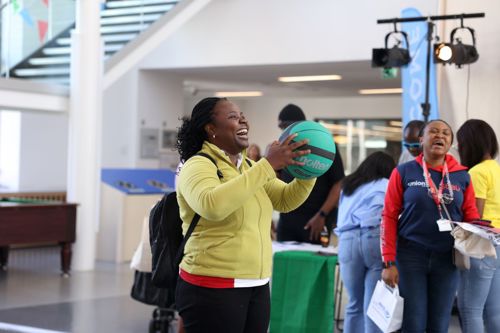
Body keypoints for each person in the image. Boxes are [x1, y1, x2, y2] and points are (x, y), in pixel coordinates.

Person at [174, 97, 316, 333]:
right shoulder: (197, 165)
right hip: (213, 284)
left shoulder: (249, 167)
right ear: (211, 129)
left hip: (256, 283)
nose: (243, 120)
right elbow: (212, 205)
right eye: (232, 116)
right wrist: (268, 165)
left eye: (242, 115)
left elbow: (285, 200)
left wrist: (309, 169)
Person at [381, 119, 480, 332]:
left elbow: (471, 214)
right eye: (433, 132)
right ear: (421, 139)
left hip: (447, 258)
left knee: (439, 323)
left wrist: (478, 232)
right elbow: (388, 217)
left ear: (450, 142)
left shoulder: (462, 176)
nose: (440, 136)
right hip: (410, 257)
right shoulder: (404, 172)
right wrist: (388, 263)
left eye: (445, 133)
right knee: (414, 324)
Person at [335, 152, 396, 333]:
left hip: (347, 240)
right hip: (374, 238)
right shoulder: (387, 184)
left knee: (354, 303)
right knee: (373, 306)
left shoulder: (348, 186)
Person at [276, 104, 345, 243]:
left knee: (312, 260)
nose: (285, 130)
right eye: (282, 127)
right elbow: (277, 179)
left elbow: (338, 183)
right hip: (287, 218)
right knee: (284, 260)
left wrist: (322, 215)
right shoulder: (283, 148)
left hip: (315, 219)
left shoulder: (324, 146)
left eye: (287, 126)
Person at [456, 119, 500, 333]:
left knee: (471, 309)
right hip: (498, 244)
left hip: (481, 244)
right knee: (494, 310)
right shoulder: (497, 169)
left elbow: (476, 216)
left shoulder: (477, 172)